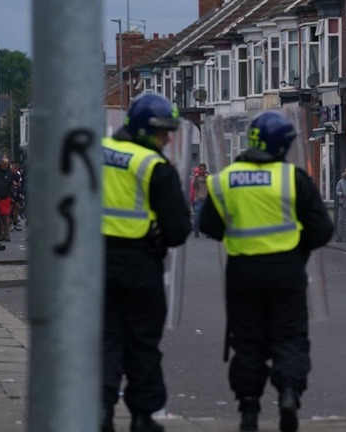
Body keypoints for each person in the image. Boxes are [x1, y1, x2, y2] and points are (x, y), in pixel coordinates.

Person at [199, 110, 333, 432]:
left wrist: (238, 232)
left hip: (243, 271)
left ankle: (248, 406)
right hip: (286, 270)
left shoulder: (224, 180)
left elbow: (207, 225)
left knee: (247, 340)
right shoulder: (292, 179)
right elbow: (322, 229)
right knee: (290, 336)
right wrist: (297, 247)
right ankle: (288, 393)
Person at [101, 93, 191, 432]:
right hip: (140, 264)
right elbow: (179, 229)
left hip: (95, 263)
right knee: (142, 343)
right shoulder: (154, 166)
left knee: (105, 340)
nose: (167, 139)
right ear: (143, 129)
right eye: (162, 132)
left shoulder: (95, 153)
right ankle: (141, 417)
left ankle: (99, 411)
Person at [191, 163, 209, 238]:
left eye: (203, 169)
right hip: (199, 199)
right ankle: (196, 231)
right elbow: (194, 186)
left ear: (205, 169)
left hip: (207, 199)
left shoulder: (208, 177)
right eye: (200, 169)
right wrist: (195, 178)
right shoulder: (197, 177)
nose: (202, 170)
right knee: (197, 216)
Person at [334, 168, 346, 242]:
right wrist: (341, 194)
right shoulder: (341, 182)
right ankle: (340, 236)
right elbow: (337, 191)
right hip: (342, 204)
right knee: (340, 221)